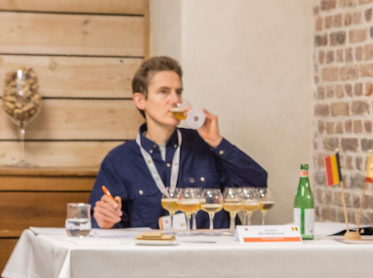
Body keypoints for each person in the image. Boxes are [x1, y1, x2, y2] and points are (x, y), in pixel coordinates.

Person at [90, 56, 267, 229]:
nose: (175, 100)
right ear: (140, 100)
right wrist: (106, 222)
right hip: (151, 257)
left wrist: (217, 142)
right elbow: (100, 223)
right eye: (164, 92)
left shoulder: (205, 145)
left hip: (208, 255)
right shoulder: (119, 160)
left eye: (178, 92)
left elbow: (259, 187)